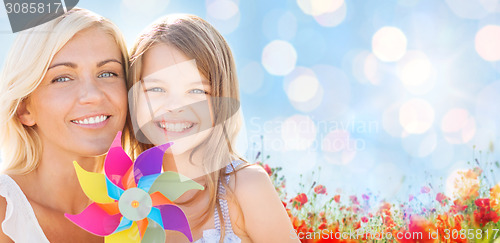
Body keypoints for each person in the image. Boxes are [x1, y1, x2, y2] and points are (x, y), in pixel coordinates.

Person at [128, 14, 298, 242]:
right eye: (156, 89)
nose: (176, 106)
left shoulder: (246, 187)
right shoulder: (126, 198)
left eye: (197, 91)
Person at [0, 8, 129, 242]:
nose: (93, 95)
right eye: (62, 78)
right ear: (24, 109)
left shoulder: (139, 210)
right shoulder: (5, 211)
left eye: (108, 73)